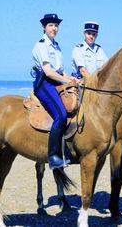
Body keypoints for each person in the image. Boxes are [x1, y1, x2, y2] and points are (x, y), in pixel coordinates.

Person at [31, 13, 78, 169]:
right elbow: (49, 72)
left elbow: (61, 71)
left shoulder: (57, 46)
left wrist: (74, 80)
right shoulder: (41, 45)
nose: (54, 28)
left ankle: (67, 151)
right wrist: (66, 81)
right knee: (61, 115)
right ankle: (53, 157)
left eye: (56, 25)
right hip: (44, 83)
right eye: (51, 25)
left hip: (56, 82)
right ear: (44, 27)